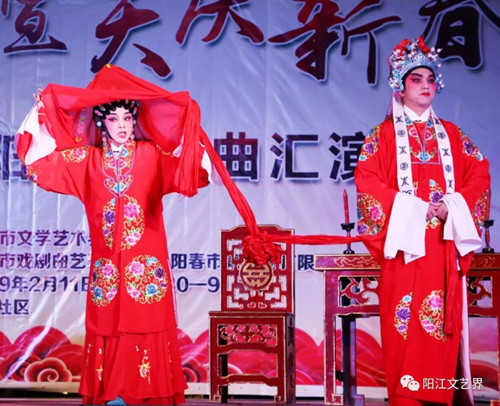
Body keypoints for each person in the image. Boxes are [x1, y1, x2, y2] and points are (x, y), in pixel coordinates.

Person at [15, 65, 210, 405]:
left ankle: (148, 396)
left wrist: (192, 129)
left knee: (146, 321)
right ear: (101, 122)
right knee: (108, 323)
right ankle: (112, 393)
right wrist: (42, 114)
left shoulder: (151, 155)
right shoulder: (86, 161)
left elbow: (189, 174)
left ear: (135, 121)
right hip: (107, 267)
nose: (121, 125)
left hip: (145, 267)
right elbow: (40, 163)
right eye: (113, 118)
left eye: (127, 118)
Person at [354, 37, 491, 405]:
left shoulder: (452, 135)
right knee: (403, 327)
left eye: (430, 79)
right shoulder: (381, 137)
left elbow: (479, 173)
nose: (425, 85)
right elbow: (367, 181)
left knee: (440, 329)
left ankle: (439, 397)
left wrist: (453, 205)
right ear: (400, 87)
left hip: (442, 247)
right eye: (416, 79)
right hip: (405, 250)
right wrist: (414, 208)